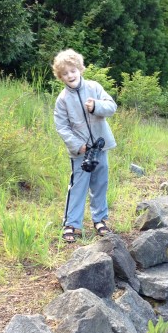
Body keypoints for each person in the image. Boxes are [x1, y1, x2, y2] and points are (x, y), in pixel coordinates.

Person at [52, 49, 117, 243]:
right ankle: (72, 223)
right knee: (78, 186)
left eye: (73, 71)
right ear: (60, 77)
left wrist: (96, 106)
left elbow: (111, 107)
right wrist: (77, 145)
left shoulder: (94, 87)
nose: (70, 75)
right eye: (65, 73)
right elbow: (62, 127)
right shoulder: (62, 99)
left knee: (100, 183)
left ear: (80, 69)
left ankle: (100, 220)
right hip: (81, 151)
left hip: (100, 146)